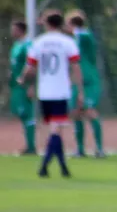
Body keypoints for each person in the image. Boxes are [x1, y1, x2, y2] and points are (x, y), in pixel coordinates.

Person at [19, 10, 83, 178]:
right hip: (61, 91)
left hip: (45, 93)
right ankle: (44, 166)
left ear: (47, 24)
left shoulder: (39, 42)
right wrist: (80, 90)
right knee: (56, 129)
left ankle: (62, 168)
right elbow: (76, 67)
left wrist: (23, 79)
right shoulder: (67, 42)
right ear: (60, 23)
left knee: (55, 129)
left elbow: (30, 67)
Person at [65, 10, 105, 158]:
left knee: (89, 110)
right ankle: (80, 149)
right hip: (78, 79)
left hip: (89, 80)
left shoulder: (83, 35)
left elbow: (78, 35)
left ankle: (100, 148)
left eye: (67, 24)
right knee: (75, 112)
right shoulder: (76, 39)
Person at [9, 20, 36, 155]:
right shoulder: (16, 45)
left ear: (20, 30)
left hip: (25, 85)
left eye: (13, 29)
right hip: (16, 85)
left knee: (27, 115)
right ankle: (28, 145)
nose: (11, 31)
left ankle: (31, 147)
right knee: (21, 114)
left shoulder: (28, 44)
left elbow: (32, 65)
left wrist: (31, 86)